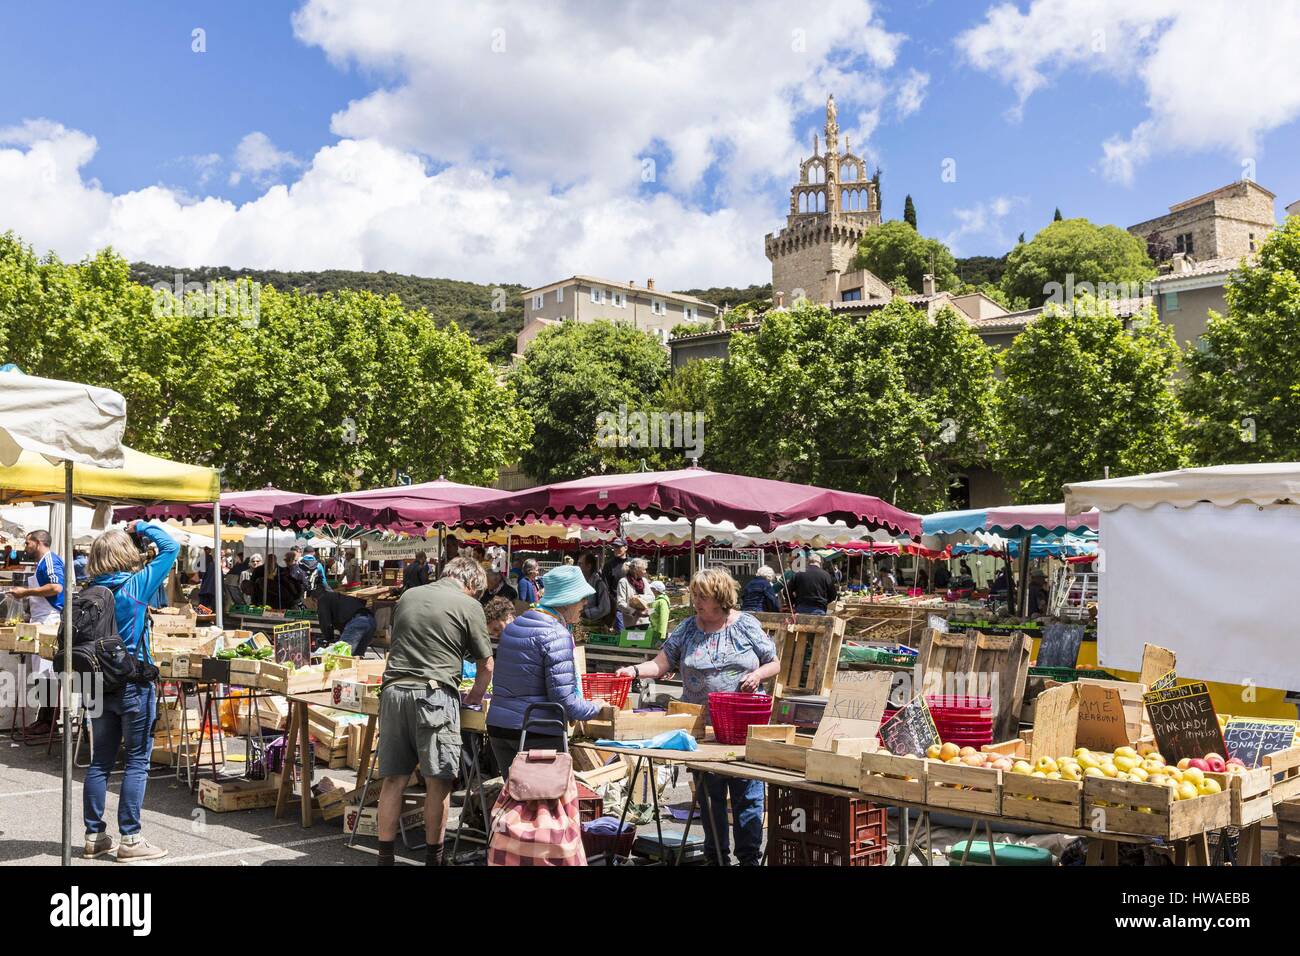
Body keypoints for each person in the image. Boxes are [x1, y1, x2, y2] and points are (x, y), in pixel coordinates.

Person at [615, 569, 778, 866]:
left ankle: (749, 859)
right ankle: (717, 859)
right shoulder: (688, 628)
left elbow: (773, 662)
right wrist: (634, 671)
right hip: (701, 729)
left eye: (702, 596)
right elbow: (661, 664)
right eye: (695, 596)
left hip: (743, 729)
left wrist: (756, 674)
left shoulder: (746, 626)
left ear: (720, 597)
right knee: (710, 799)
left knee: (748, 799)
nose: (696, 602)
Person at [376, 557, 493, 867]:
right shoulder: (469, 605)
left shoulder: (409, 595)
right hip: (434, 696)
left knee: (393, 781)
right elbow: (486, 665)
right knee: (437, 782)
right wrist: (474, 698)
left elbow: (395, 639)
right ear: (472, 586)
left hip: (393, 691)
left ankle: (385, 859)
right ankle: (434, 859)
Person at [82, 520, 180, 862]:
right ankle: (131, 839)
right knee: (137, 761)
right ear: (125, 554)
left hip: (94, 685)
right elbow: (171, 548)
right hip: (132, 683)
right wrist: (143, 525)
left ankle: (94, 837)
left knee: (100, 763)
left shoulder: (88, 592)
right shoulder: (135, 585)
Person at [487, 565, 608, 776]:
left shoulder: (515, 626)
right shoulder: (556, 634)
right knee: (544, 804)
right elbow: (565, 700)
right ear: (567, 601)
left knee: (515, 802)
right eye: (582, 598)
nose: (585, 603)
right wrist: (595, 707)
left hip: (499, 727)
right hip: (535, 730)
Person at [10, 530, 65, 734]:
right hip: (40, 619)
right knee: (42, 673)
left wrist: (26, 592)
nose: (26, 547)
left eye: (28, 543)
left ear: (39, 542)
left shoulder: (51, 560)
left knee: (47, 672)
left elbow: (56, 587)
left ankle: (49, 720)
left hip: (50, 620)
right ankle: (45, 717)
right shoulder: (41, 563)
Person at [313, 587, 376, 655]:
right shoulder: (338, 598)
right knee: (356, 657)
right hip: (370, 620)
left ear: (315, 600)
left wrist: (329, 639)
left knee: (341, 656)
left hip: (357, 622)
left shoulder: (322, 599)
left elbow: (325, 623)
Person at [617, 557, 655, 629]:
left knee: (644, 640)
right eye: (643, 569)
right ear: (636, 570)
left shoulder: (644, 581)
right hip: (631, 623)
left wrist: (639, 597)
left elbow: (652, 597)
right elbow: (620, 603)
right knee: (632, 640)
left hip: (645, 621)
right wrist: (634, 612)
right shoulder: (623, 582)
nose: (645, 572)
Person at [601, 538, 629, 629]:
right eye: (614, 547)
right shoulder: (609, 565)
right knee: (621, 633)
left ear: (626, 548)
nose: (616, 549)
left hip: (632, 605)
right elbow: (605, 586)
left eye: (618, 547)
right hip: (616, 606)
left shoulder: (632, 563)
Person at [578, 553, 611, 626]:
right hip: (579, 623)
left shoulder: (599, 584)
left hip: (594, 626)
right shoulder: (579, 582)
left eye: (580, 564)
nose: (578, 567)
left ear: (589, 566)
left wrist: (586, 613)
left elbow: (605, 608)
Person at [645, 579, 671, 646]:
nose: (650, 590)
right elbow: (654, 611)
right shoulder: (656, 600)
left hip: (657, 634)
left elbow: (663, 620)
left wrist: (661, 637)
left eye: (652, 589)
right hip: (652, 632)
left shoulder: (662, 602)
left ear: (656, 590)